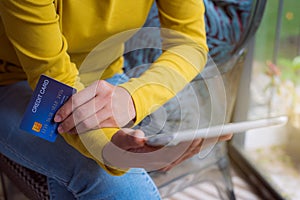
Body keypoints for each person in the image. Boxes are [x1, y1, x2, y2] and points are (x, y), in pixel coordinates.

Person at [0, 0, 232, 199]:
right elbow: (53, 76)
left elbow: (189, 43)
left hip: (104, 75)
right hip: (16, 80)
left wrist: (132, 98)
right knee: (114, 184)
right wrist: (107, 145)